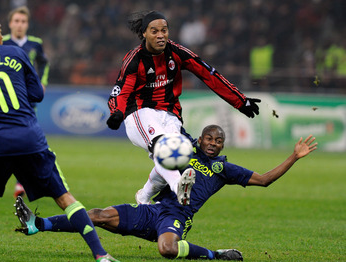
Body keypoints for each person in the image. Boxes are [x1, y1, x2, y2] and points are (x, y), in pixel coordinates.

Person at [14, 125, 317, 261]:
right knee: (98, 215)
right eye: (209, 138)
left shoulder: (225, 170)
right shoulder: (184, 149)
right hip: (153, 208)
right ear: (200, 139)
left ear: (223, 145)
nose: (214, 143)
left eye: (219, 140)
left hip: (177, 216)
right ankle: (37, 225)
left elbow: (264, 180)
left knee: (167, 250)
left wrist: (294, 156)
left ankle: (215, 254)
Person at [0, 19, 120, 262]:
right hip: (28, 138)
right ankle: (101, 255)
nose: (2, 32)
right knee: (64, 198)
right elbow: (38, 94)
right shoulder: (15, 53)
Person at [106, 11, 261, 205]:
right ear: (144, 33)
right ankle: (178, 185)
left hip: (170, 115)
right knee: (163, 149)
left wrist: (240, 101)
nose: (161, 35)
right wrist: (117, 113)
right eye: (154, 31)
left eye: (164, 30)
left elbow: (208, 74)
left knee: (177, 155)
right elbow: (122, 91)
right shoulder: (134, 60)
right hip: (139, 113)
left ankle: (144, 196)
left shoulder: (177, 52)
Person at [2, 6, 50, 198]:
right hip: (5, 100)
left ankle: (21, 182)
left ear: (27, 24)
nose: (20, 25)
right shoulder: (1, 42)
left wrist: (43, 82)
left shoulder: (35, 44)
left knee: (26, 139)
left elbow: (44, 63)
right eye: (16, 21)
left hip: (28, 100)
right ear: (10, 23)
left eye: (23, 21)